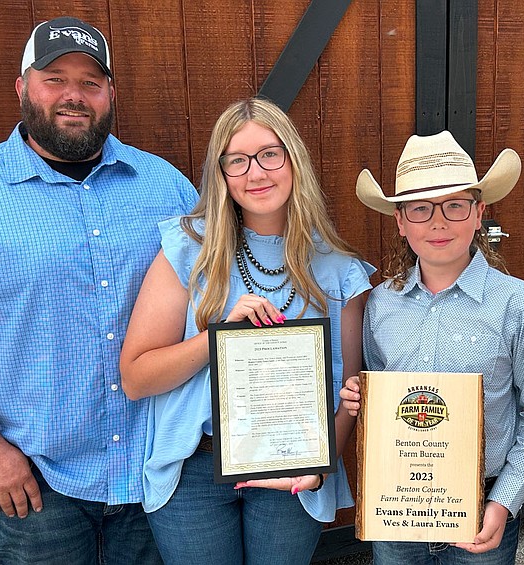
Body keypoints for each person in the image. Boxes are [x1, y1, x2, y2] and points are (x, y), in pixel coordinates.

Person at [0, 16, 198, 564]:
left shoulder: (165, 185)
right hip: (34, 483)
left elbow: (214, 301)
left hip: (155, 472)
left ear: (110, 93)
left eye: (90, 82)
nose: (73, 96)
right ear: (21, 87)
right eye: (54, 78)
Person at [119, 97, 374, 564]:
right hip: (194, 467)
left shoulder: (340, 272)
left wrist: (317, 472)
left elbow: (346, 394)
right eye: (237, 160)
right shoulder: (187, 250)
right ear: (222, 174)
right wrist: (218, 336)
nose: (256, 173)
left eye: (269, 154)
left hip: (291, 470)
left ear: (293, 160)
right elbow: (136, 377)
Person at [341, 131, 524, 564]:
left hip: (483, 508)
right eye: (420, 208)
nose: (438, 223)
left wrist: (504, 503)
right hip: (398, 508)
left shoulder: (517, 304)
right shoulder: (380, 304)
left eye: (455, 205)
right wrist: (360, 401)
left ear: (479, 213)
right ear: (400, 222)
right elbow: (381, 405)